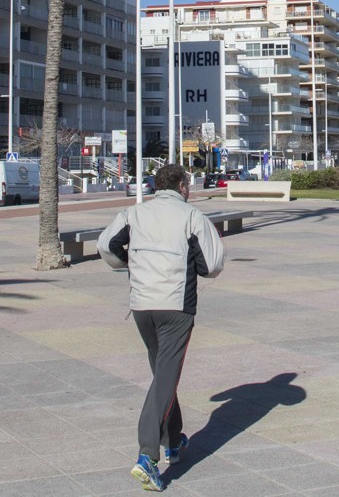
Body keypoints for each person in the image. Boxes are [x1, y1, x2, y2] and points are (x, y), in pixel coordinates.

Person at [97, 164, 225, 492]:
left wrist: (128, 263)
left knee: (163, 374)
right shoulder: (192, 217)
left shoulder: (134, 214)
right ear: (182, 186)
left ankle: (174, 440)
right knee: (165, 377)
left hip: (142, 305)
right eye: (188, 185)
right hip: (176, 306)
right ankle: (147, 455)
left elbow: (106, 245)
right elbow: (212, 264)